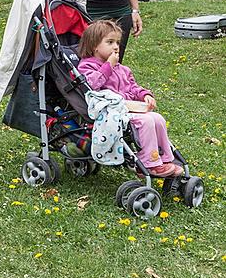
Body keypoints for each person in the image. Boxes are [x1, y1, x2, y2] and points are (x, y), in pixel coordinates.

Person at [76, 20, 183, 178]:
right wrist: (108, 66)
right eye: (110, 42)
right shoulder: (87, 66)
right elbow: (92, 85)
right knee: (146, 122)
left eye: (117, 42)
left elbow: (133, 87)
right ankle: (148, 163)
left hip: (129, 109)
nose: (116, 47)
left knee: (158, 119)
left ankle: (164, 159)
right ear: (94, 46)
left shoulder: (122, 69)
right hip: (110, 112)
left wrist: (145, 95)